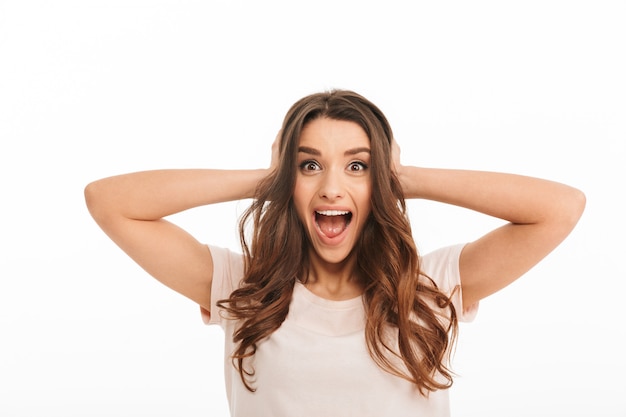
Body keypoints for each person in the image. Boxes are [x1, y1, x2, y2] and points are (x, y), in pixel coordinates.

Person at [84, 89, 585, 416]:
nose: (330, 188)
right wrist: (270, 179)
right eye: (308, 167)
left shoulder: (429, 287)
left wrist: (401, 177)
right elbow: (109, 202)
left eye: (356, 167)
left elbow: (560, 208)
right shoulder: (245, 290)